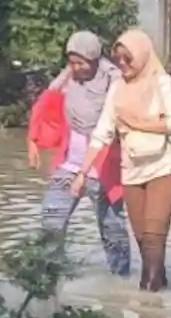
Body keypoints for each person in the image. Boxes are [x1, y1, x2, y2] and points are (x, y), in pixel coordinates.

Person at [72, 30, 171, 292]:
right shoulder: (117, 90)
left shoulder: (163, 85)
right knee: (142, 239)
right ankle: (159, 291)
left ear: (143, 57)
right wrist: (82, 173)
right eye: (118, 60)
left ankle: (147, 300)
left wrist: (142, 123)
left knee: (153, 237)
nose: (122, 65)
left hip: (163, 169)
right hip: (132, 172)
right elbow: (101, 134)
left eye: (128, 59)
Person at [27, 31, 131, 276]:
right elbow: (45, 105)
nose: (75, 68)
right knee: (52, 221)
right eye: (72, 62)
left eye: (81, 63)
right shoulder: (67, 79)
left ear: (95, 59)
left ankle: (120, 283)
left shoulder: (114, 82)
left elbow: (122, 119)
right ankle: (50, 278)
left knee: (112, 231)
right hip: (69, 166)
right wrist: (33, 141)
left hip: (103, 169)